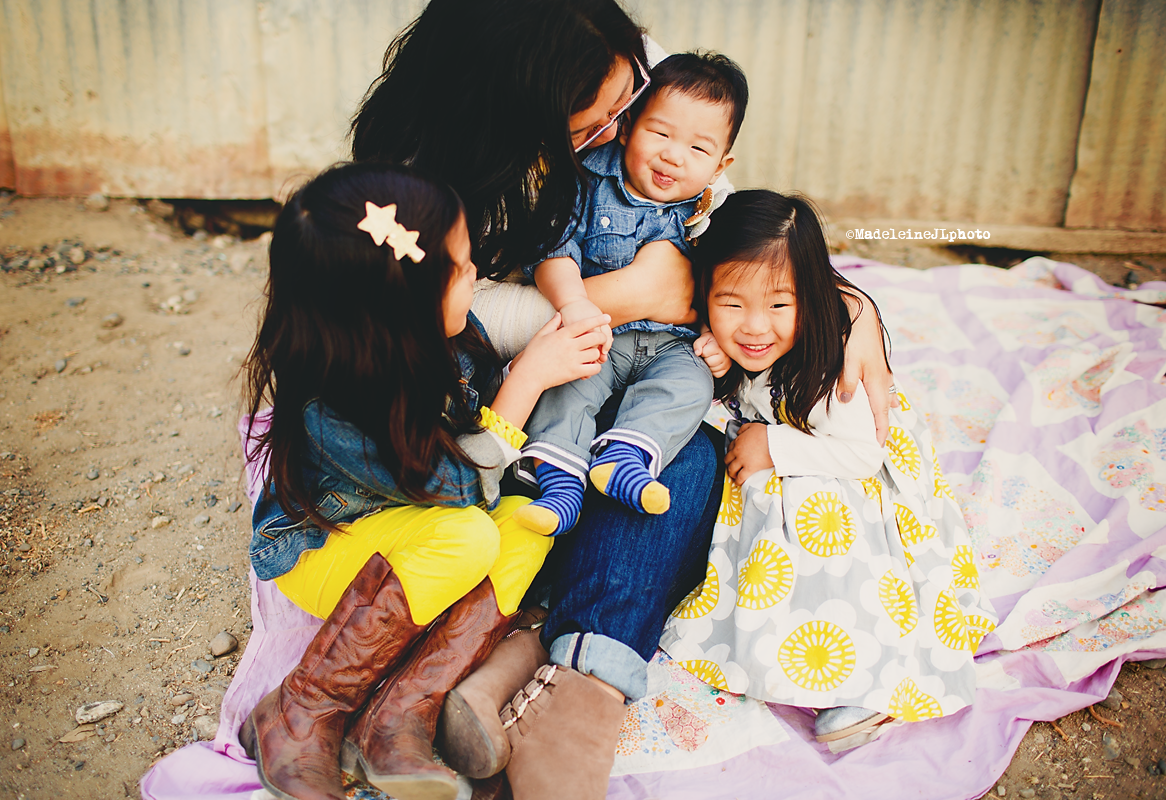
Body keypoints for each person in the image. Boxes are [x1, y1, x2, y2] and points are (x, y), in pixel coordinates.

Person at [348, 1, 894, 796]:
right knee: (586, 468)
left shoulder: (623, 66)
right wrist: (628, 295)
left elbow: (718, 210)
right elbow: (446, 320)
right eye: (587, 128)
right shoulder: (411, 180)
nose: (621, 136)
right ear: (509, 120)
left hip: (643, 367)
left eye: (627, 109)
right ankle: (545, 685)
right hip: (519, 373)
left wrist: (838, 300)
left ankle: (545, 684)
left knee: (686, 456)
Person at [238, 162, 612, 800]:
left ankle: (401, 710)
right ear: (402, 309)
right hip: (329, 549)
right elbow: (457, 487)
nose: (478, 278)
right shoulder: (337, 409)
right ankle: (303, 706)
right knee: (467, 535)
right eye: (464, 269)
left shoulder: (443, 339)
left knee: (528, 526)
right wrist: (524, 382)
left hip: (414, 531)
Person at [659, 190, 996, 748]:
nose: (753, 327)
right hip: (804, 442)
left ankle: (865, 682)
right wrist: (717, 359)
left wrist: (773, 445)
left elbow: (863, 455)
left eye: (778, 305)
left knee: (824, 532)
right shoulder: (744, 343)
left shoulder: (831, 371)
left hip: (859, 466)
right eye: (731, 304)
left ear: (812, 299)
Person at [514, 52, 748, 538]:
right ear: (625, 127)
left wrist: (712, 335)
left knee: (693, 386)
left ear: (721, 164)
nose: (673, 155)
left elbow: (726, 282)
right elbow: (553, 249)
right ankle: (560, 485)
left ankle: (626, 459)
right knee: (567, 386)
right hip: (605, 334)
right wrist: (575, 304)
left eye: (698, 149)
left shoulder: (712, 214)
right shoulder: (586, 181)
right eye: (660, 133)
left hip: (672, 345)